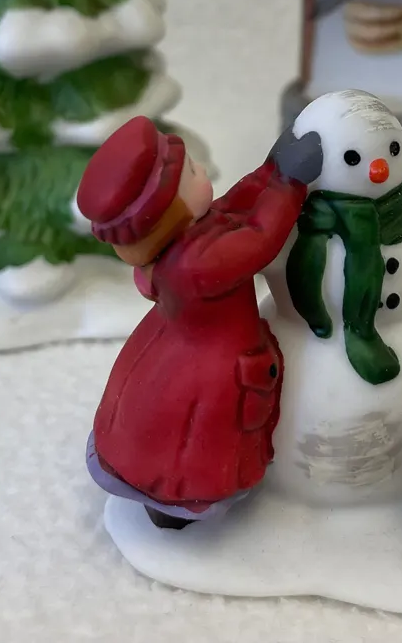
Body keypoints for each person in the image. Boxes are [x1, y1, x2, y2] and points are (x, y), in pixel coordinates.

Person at [78, 117, 322, 528]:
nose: (203, 170)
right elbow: (259, 237)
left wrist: (271, 169)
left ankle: (159, 492)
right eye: (191, 172)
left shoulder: (188, 236)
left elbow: (233, 208)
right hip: (211, 367)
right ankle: (173, 505)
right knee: (194, 445)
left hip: (174, 349)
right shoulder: (197, 265)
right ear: (167, 211)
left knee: (167, 438)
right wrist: (288, 185)